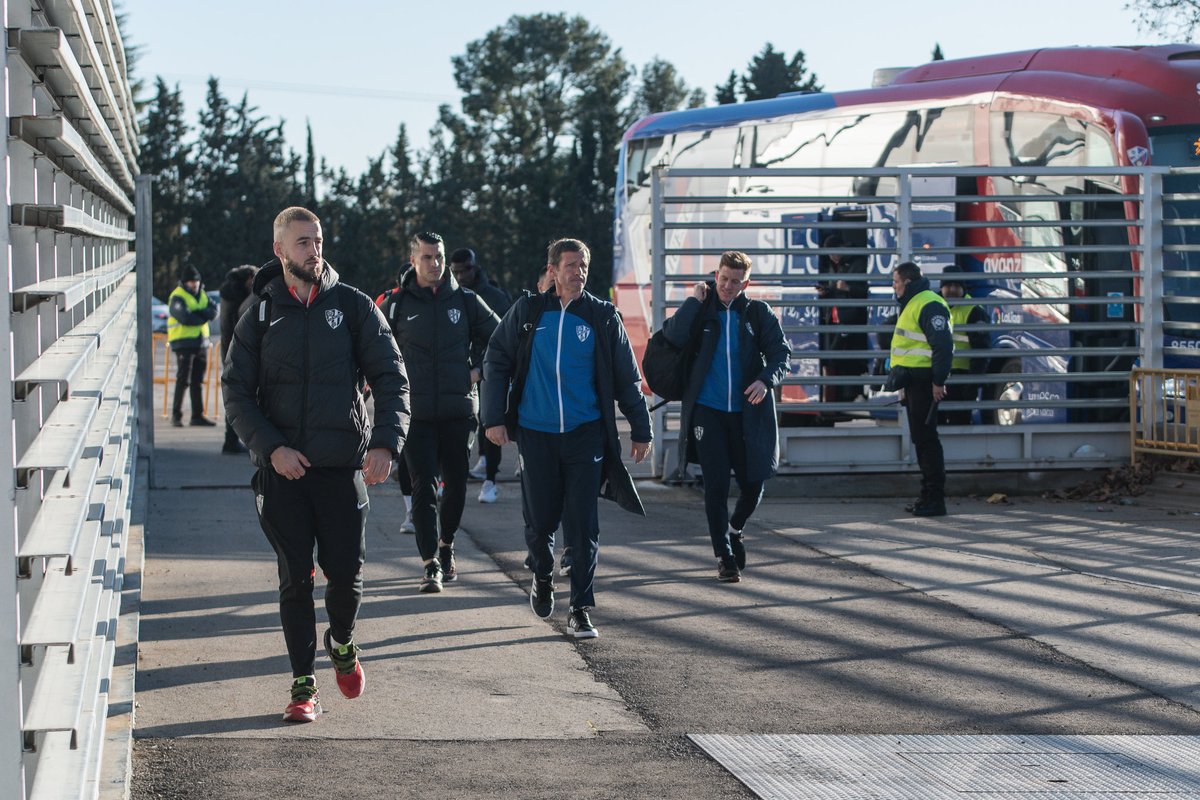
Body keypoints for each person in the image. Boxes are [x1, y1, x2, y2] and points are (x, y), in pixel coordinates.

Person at [223, 206, 410, 723]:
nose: (315, 250)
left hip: (342, 468)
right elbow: (236, 392)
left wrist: (386, 444)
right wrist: (271, 449)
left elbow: (393, 378)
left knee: (346, 576)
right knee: (295, 579)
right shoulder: (260, 314)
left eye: (319, 240)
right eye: (303, 242)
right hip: (283, 472)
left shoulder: (351, 306)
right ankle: (303, 685)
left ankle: (343, 641)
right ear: (281, 250)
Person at [483, 238, 651, 639]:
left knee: (583, 524)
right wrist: (492, 417)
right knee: (539, 523)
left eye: (584, 264)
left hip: (584, 435)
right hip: (537, 434)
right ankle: (542, 576)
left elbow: (627, 378)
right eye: (571, 265)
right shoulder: (528, 311)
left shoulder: (602, 316)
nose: (579, 271)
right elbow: (496, 358)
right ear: (553, 269)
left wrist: (641, 429)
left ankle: (580, 607)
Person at [662, 251, 791, 583]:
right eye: (723, 279)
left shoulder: (758, 313)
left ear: (746, 283)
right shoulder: (703, 309)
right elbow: (672, 336)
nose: (728, 286)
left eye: (735, 281)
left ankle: (735, 529)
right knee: (716, 485)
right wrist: (693, 302)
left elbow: (781, 354)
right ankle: (724, 556)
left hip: (749, 412)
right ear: (715, 276)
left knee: (754, 483)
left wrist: (765, 380)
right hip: (708, 411)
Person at [382, 233, 499, 593]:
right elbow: (376, 350)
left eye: (440, 257)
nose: (436, 264)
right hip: (414, 414)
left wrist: (478, 370)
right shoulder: (396, 305)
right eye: (428, 257)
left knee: (456, 485)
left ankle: (446, 545)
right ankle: (430, 563)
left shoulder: (464, 300)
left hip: (458, 410)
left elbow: (500, 337)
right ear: (414, 260)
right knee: (423, 487)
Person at [887, 261, 953, 517]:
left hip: (926, 383)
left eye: (896, 282)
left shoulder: (928, 304)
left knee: (927, 441)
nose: (894, 287)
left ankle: (935, 499)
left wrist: (938, 381)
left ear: (908, 283)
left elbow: (942, 345)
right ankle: (927, 496)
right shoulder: (913, 303)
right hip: (915, 382)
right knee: (922, 440)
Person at [451, 248, 512, 503]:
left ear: (474, 267)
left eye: (464, 269)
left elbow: (503, 338)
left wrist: (480, 369)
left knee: (491, 423)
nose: (460, 275)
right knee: (462, 427)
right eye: (455, 271)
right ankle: (453, 477)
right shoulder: (451, 296)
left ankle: (490, 480)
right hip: (459, 374)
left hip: (488, 372)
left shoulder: (495, 297)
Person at [817, 234, 869, 405]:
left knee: (844, 357)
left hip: (850, 320)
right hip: (835, 321)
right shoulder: (836, 267)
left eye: (834, 252)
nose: (833, 257)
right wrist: (827, 291)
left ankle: (853, 393)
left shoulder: (857, 264)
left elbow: (865, 290)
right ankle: (844, 395)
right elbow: (836, 289)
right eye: (829, 254)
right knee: (840, 358)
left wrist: (849, 288)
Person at [937, 265, 991, 425]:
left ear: (963, 288)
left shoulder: (974, 311)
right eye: (948, 285)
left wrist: (972, 384)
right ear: (942, 287)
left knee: (959, 425)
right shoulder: (933, 306)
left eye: (956, 285)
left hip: (961, 379)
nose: (952, 289)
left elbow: (981, 352)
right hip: (936, 377)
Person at [167, 266, 219, 427]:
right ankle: (176, 415)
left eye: (196, 281)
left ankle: (197, 416)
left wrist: (197, 314)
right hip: (183, 342)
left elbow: (214, 311)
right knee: (183, 379)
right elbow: (184, 317)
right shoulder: (177, 296)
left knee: (197, 381)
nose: (194, 284)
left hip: (200, 342)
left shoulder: (202, 295)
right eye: (191, 281)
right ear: (184, 282)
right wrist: (202, 316)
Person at [217, 264, 257, 453]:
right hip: (239, 351)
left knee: (233, 397)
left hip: (227, 351)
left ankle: (230, 440)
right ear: (248, 278)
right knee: (245, 399)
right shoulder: (242, 300)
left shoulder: (228, 294)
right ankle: (233, 442)